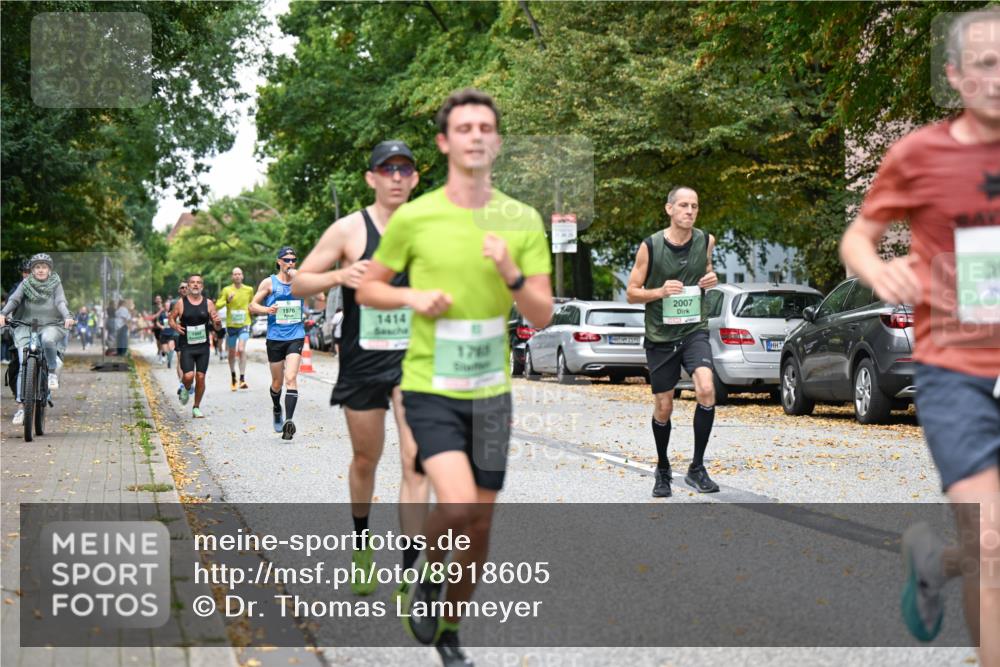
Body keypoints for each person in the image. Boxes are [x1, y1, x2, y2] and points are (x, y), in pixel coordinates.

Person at [357, 89, 553, 665]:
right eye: (464, 128)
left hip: (491, 393)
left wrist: (511, 273)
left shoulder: (521, 219)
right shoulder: (416, 217)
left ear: (497, 142)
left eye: (485, 128)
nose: (475, 136)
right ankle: (425, 569)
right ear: (445, 143)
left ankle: (449, 629)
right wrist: (413, 296)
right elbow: (369, 288)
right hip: (429, 387)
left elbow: (542, 314)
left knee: (480, 527)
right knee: (460, 504)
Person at [839, 9, 999, 665]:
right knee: (990, 539)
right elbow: (858, 237)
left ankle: (936, 562)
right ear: (956, 75)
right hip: (955, 370)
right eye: (986, 64)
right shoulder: (919, 155)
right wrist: (878, 270)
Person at [293, 139, 431, 597]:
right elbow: (299, 282)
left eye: (404, 169)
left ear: (414, 178)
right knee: (366, 459)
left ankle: (409, 572)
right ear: (372, 178)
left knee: (415, 461)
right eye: (387, 169)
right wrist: (339, 275)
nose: (397, 177)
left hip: (415, 360)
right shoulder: (349, 229)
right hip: (363, 359)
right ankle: (361, 543)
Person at [626, 185, 720, 498]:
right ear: (669, 209)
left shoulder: (706, 241)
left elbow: (706, 271)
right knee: (664, 406)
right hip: (660, 336)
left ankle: (697, 467)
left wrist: (711, 278)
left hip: (694, 331)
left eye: (694, 206)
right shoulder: (650, 246)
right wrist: (660, 292)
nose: (690, 211)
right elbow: (631, 293)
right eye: (683, 205)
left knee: (705, 388)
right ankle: (663, 468)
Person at [0, 253, 75, 425]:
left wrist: (67, 316)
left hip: (50, 323)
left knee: (48, 340)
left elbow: (60, 302)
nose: (41, 270)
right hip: (26, 325)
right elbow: (14, 300)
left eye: (44, 267)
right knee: (22, 362)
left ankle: (51, 373)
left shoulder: (56, 283)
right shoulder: (25, 283)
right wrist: (3, 313)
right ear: (32, 270)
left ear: (49, 270)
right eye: (37, 267)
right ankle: (21, 407)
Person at [250, 247, 305, 440]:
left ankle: (289, 422)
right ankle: (276, 408)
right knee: (277, 383)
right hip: (275, 338)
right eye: (287, 259)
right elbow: (252, 305)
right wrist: (267, 310)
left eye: (293, 259)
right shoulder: (269, 282)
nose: (290, 263)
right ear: (279, 261)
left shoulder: (300, 280)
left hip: (296, 335)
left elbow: (320, 296)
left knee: (291, 378)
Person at [168, 274, 221, 419]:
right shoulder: (181, 303)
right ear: (188, 286)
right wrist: (175, 326)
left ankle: (196, 407)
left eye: (198, 282)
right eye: (192, 282)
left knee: (201, 377)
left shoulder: (208, 303)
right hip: (187, 346)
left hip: (203, 346)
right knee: (188, 376)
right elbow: (171, 318)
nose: (196, 285)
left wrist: (218, 323)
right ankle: (185, 388)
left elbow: (217, 326)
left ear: (202, 286)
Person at [216, 267, 254, 390]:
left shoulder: (249, 290)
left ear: (242, 276)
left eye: (239, 274)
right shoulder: (227, 290)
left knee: (241, 349)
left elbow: (252, 303)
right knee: (231, 352)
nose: (237, 276)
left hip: (244, 324)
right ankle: (233, 376)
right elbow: (217, 305)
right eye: (235, 274)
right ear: (232, 277)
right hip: (231, 326)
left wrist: (253, 309)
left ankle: (242, 378)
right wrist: (227, 300)